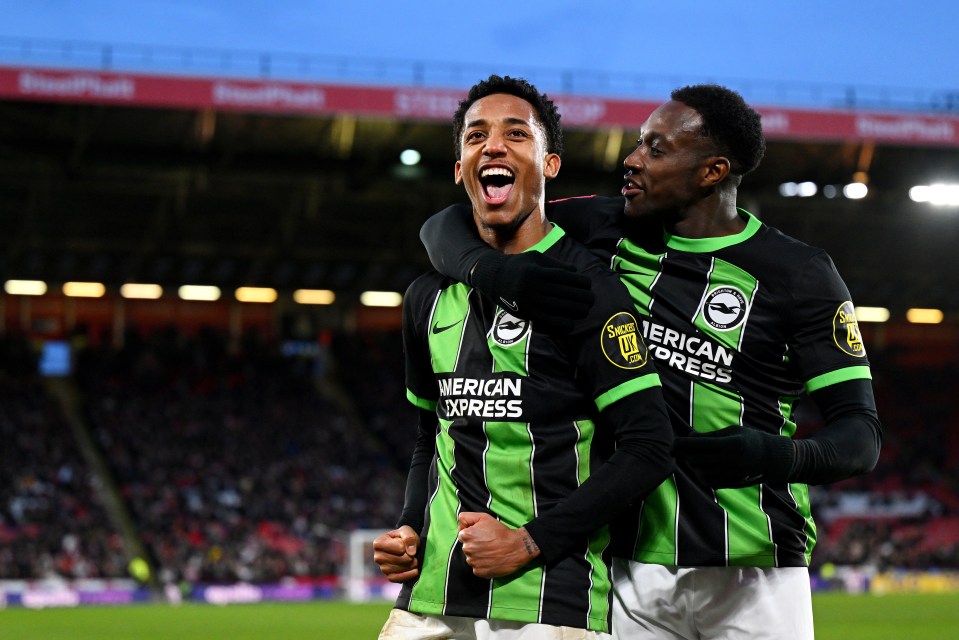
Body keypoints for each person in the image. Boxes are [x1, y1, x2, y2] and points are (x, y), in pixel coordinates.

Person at [418, 84, 882, 640]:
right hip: (627, 570)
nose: (632, 159)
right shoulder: (602, 229)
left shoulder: (799, 274)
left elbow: (860, 437)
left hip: (757, 569)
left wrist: (763, 454)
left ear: (712, 171)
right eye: (639, 143)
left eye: (656, 149)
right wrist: (493, 272)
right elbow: (448, 223)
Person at [373, 75, 674, 639]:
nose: (492, 146)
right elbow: (427, 437)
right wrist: (409, 527)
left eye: (517, 133)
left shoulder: (589, 289)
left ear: (550, 165)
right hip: (431, 599)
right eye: (475, 136)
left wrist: (526, 542)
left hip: (549, 598)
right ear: (460, 169)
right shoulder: (425, 297)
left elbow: (648, 447)